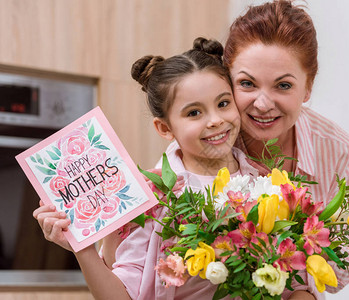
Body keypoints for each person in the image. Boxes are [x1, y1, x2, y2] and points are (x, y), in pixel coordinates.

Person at [33, 37, 261, 300]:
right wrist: (81, 247)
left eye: (223, 103)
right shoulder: (150, 198)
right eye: (194, 113)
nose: (215, 121)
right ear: (164, 128)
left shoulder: (266, 182)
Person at [222, 1, 349, 299]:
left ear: (308, 87)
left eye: (283, 86)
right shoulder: (205, 141)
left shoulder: (336, 150)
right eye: (247, 83)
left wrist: (305, 288)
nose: (262, 104)